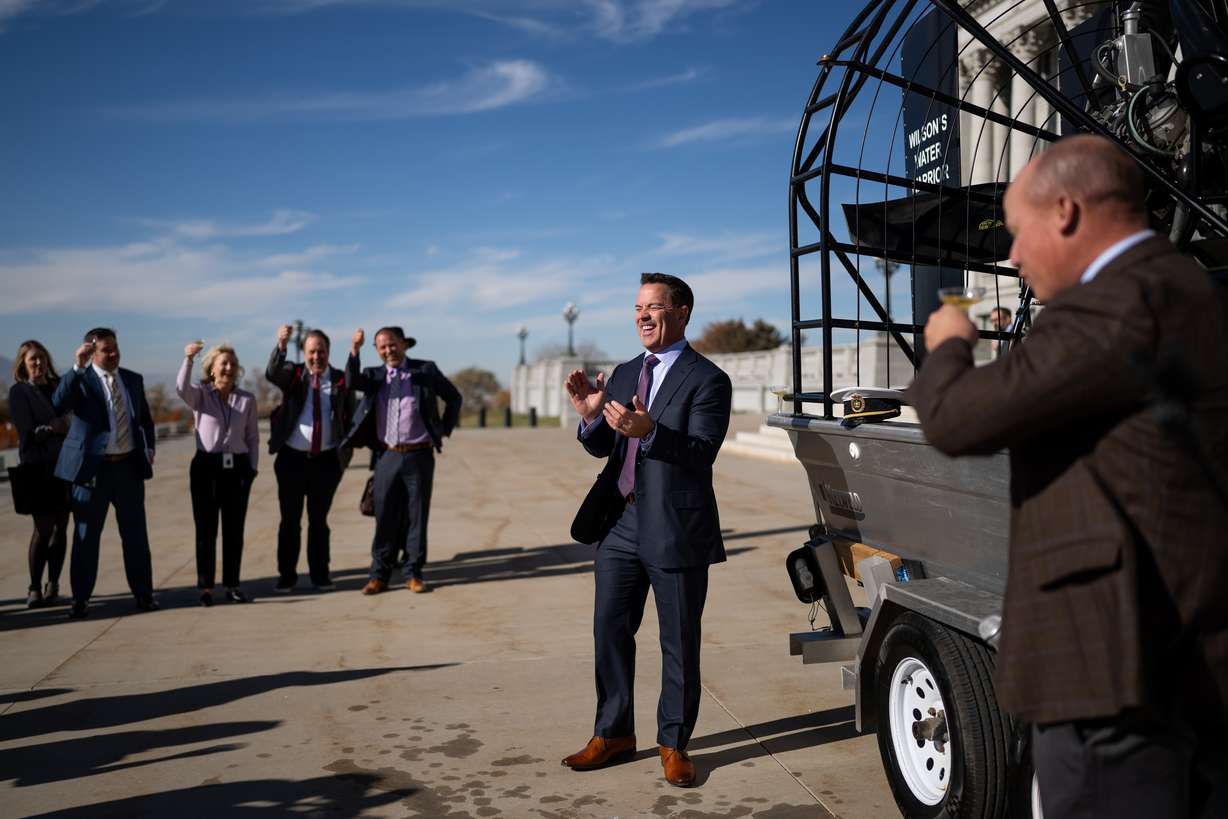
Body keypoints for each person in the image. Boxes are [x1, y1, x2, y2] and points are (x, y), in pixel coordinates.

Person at [908, 135, 1228, 817]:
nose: (1013, 256)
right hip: (1168, 663)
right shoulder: (1179, 286)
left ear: (1066, 211)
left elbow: (956, 418)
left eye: (1019, 233)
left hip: (1111, 675)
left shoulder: (1117, 300)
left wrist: (948, 345)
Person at [560, 273, 732, 788]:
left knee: (678, 640)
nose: (642, 316)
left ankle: (674, 743)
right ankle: (612, 733)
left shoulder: (708, 380)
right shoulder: (625, 371)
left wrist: (651, 431)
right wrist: (591, 418)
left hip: (676, 526)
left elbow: (701, 453)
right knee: (609, 630)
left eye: (654, 307)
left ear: (681, 313)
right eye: (638, 307)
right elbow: (604, 446)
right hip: (620, 522)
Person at [344, 326, 461, 595]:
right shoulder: (374, 375)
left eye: (393, 344)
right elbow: (351, 381)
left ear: (404, 344)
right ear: (377, 351)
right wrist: (354, 350)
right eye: (382, 347)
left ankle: (413, 573)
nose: (388, 350)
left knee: (417, 516)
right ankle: (379, 575)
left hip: (419, 454)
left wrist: (443, 429)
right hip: (387, 454)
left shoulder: (425, 370)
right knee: (384, 516)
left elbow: (454, 397)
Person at [52, 327, 158, 619]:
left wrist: (148, 447)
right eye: (106, 350)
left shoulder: (133, 380)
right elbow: (58, 403)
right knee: (86, 538)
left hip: (128, 468)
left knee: (136, 536)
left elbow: (145, 420)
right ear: (92, 351)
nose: (113, 354)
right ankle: (81, 599)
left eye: (115, 348)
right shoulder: (81, 381)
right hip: (92, 471)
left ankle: (144, 594)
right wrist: (77, 366)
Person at [266, 325, 354, 593]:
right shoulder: (293, 376)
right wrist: (281, 345)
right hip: (292, 460)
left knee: (319, 520)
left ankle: (320, 574)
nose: (317, 357)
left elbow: (349, 416)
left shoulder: (340, 380)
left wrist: (345, 453)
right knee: (290, 520)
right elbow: (272, 373)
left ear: (329, 352)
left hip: (326, 462)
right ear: (304, 353)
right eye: (312, 352)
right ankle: (287, 575)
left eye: (322, 351)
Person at [178, 341, 260, 606]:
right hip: (206, 468)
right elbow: (181, 388)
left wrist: (252, 469)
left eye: (232, 364)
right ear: (212, 369)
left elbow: (253, 437)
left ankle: (233, 584)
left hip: (237, 468)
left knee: (234, 530)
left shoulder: (246, 399)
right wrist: (188, 360)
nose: (228, 368)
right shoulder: (201, 394)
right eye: (223, 363)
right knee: (206, 530)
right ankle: (205, 587)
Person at [8, 340, 71, 608]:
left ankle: (53, 584)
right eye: (32, 359)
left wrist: (63, 426)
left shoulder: (59, 386)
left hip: (64, 466)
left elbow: (70, 420)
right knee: (43, 528)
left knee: (62, 527)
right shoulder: (19, 392)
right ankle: (34, 587)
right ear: (23, 363)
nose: (38, 363)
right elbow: (26, 434)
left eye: (42, 358)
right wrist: (53, 428)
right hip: (36, 468)